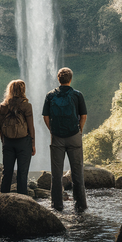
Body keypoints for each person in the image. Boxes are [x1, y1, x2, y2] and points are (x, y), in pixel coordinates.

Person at [42, 67, 87, 212]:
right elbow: (84, 115)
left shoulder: (50, 95)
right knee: (77, 173)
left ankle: (57, 205)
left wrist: (52, 130)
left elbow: (46, 116)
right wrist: (79, 129)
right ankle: (80, 205)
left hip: (57, 138)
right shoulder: (77, 95)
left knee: (56, 174)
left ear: (58, 79)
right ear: (70, 79)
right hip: (74, 137)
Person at [0, 79, 36, 195]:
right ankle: (22, 200)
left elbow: (0, 126)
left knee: (7, 172)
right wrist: (33, 144)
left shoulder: (3, 105)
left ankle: (2, 199)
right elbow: (31, 127)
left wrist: (4, 141)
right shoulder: (27, 105)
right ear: (22, 90)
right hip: (24, 142)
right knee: (22, 173)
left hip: (8, 142)